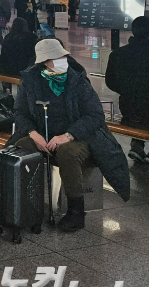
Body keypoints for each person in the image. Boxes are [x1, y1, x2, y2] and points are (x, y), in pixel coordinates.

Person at [10, 39, 130, 232]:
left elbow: (95, 115)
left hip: (80, 137)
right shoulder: (30, 80)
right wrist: (33, 134)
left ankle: (76, 211)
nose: (63, 59)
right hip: (44, 135)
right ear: (45, 62)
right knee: (20, 148)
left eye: (64, 55)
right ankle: (22, 204)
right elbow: (20, 112)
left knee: (68, 153)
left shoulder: (77, 80)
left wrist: (69, 135)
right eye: (58, 57)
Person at [106, 16, 149, 164]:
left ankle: (136, 147)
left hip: (128, 104)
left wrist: (127, 90)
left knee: (137, 117)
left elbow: (110, 81)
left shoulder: (118, 54)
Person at [0, 18, 38, 93]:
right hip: (25, 68)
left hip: (9, 68)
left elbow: (3, 56)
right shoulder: (31, 37)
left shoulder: (8, 37)